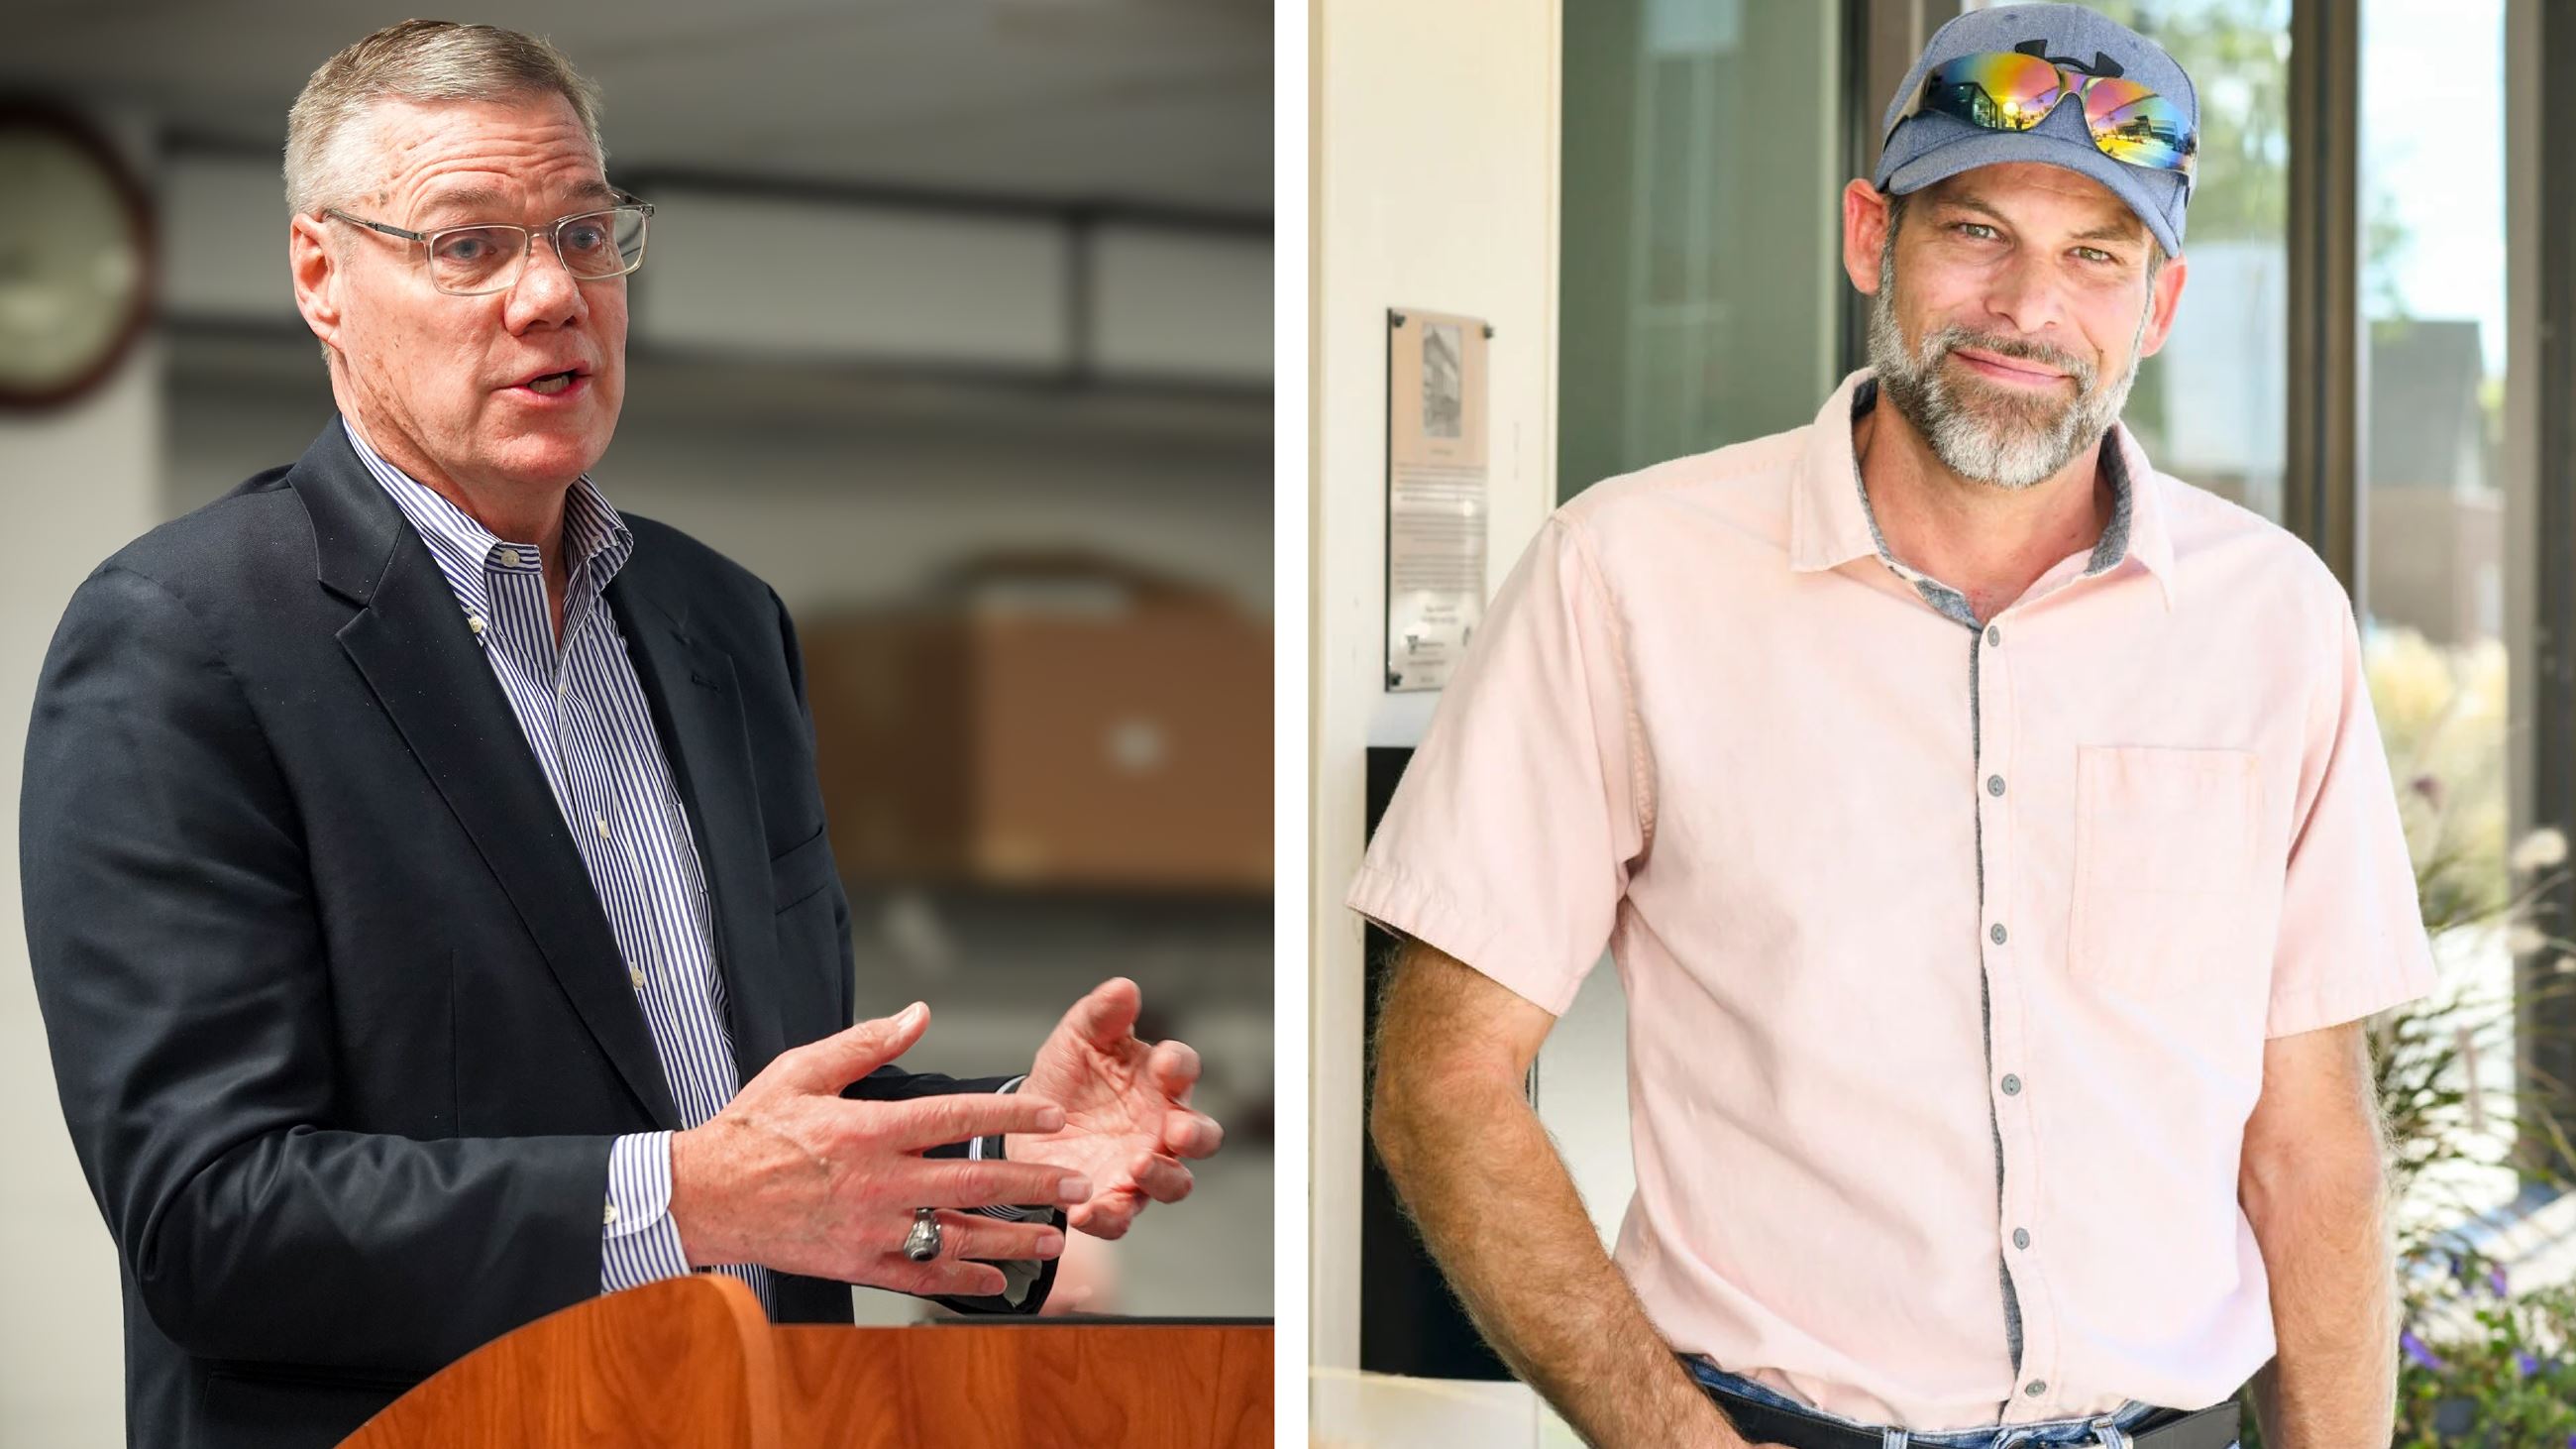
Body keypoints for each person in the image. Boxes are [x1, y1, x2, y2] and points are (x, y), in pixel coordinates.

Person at [20, 22, 1222, 1449]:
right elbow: (211, 1219)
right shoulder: (186, 639)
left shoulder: (721, 622)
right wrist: (688, 1200)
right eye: (469, 245)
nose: (551, 294)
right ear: (321, 277)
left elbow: (743, 1100)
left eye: (585, 234)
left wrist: (1009, 1143)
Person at [1355, 7, 2425, 1449]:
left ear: (2158, 306)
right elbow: (1444, 1080)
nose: (2028, 308)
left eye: (2095, 256)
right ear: (1873, 238)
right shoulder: (1627, 576)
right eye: (1977, 232)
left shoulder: (2273, 619)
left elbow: (2311, 1140)